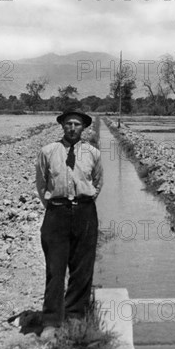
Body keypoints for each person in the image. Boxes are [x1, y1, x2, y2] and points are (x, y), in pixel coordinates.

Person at [35, 111, 103, 336]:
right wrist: (54, 206)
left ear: (83, 127)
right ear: (62, 126)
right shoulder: (48, 151)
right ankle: (51, 322)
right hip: (57, 213)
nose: (72, 128)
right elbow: (41, 182)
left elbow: (98, 182)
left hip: (84, 212)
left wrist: (84, 202)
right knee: (55, 268)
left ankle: (75, 317)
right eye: (68, 124)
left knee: (82, 268)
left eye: (77, 124)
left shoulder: (93, 153)